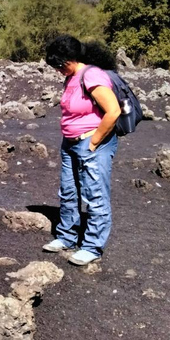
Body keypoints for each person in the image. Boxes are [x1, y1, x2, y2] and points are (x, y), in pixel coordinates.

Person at [42, 34, 121, 266]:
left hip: (91, 144)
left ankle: (92, 246)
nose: (57, 70)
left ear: (69, 59)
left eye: (58, 65)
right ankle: (66, 236)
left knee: (95, 195)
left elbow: (113, 111)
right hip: (70, 144)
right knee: (68, 191)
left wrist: (94, 142)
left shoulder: (92, 75)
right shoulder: (72, 77)